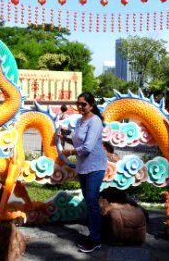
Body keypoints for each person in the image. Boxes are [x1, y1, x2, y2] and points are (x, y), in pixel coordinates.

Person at [57, 92, 107, 253]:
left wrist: (69, 153)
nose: (80, 106)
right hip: (83, 167)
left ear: (91, 105)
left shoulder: (95, 121)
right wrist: (63, 136)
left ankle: (95, 239)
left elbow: (87, 147)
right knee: (89, 200)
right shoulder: (79, 121)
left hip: (95, 167)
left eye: (83, 104)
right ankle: (93, 235)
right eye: (78, 103)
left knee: (92, 202)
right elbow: (79, 140)